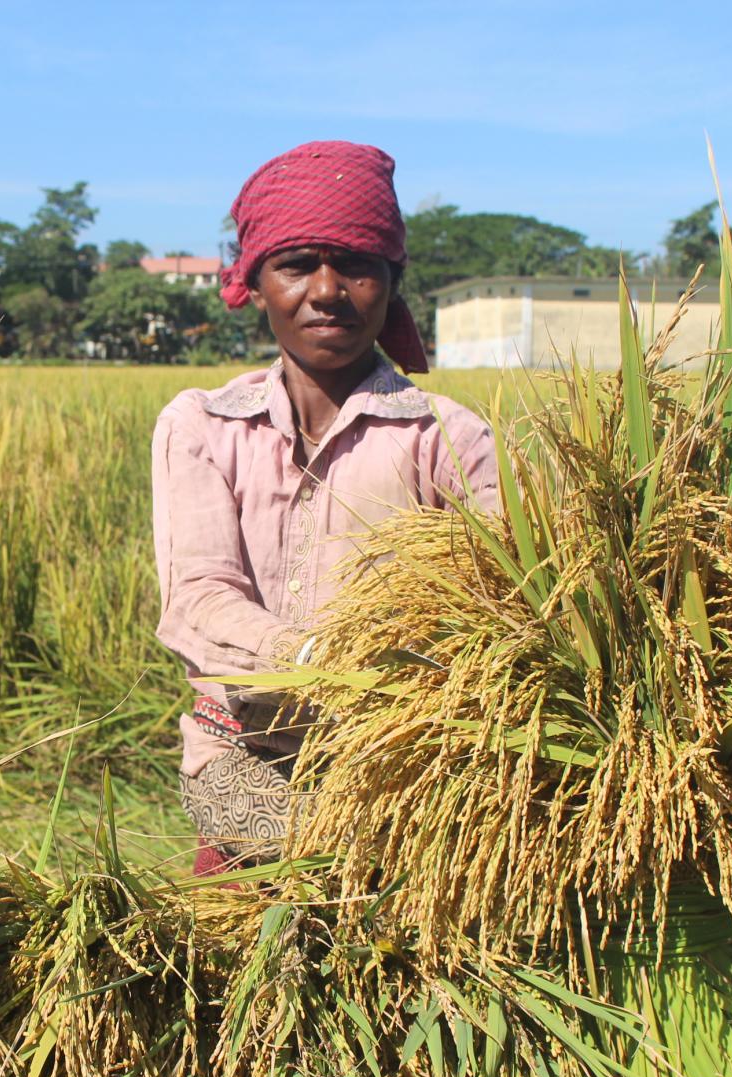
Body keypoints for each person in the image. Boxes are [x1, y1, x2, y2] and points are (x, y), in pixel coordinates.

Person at [149, 140, 500, 879]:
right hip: (240, 755)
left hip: (405, 763)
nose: (329, 290)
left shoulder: (450, 437)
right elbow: (199, 598)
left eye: (358, 266)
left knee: (398, 910)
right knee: (305, 892)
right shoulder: (203, 426)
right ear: (256, 282)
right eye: (299, 264)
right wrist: (314, 659)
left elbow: (498, 604)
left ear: (391, 283)